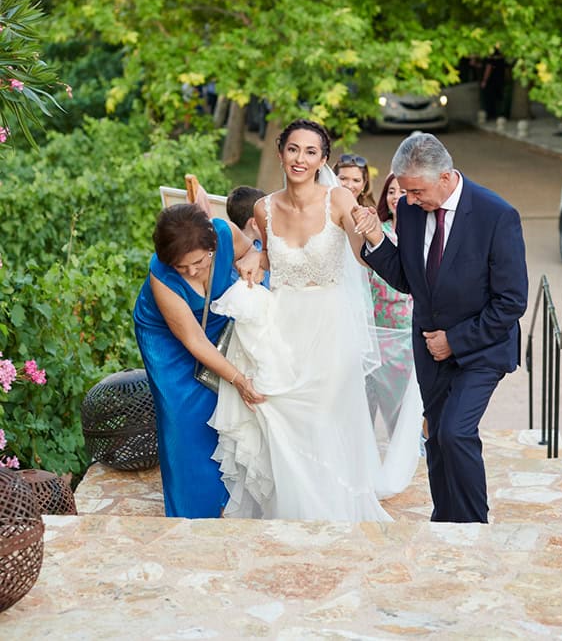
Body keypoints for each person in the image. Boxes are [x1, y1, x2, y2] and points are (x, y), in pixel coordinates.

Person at [209, 118, 421, 521]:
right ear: (280, 153)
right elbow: (272, 257)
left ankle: (330, 512)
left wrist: (373, 230)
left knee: (323, 418)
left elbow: (361, 255)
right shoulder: (264, 207)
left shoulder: (339, 200)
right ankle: (295, 515)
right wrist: (256, 254)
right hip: (283, 328)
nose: (300, 158)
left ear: (323, 158)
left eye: (310, 151)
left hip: (330, 327)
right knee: (283, 420)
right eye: (293, 149)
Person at [357, 132, 528, 523]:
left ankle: (473, 527)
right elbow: (408, 277)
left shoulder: (497, 215)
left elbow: (512, 301)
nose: (410, 200)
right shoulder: (414, 211)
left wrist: (454, 341)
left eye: (416, 191)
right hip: (429, 350)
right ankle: (445, 520)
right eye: (405, 191)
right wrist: (375, 239)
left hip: (482, 349)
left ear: (446, 176)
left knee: (455, 432)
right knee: (436, 437)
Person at [133, 203, 265, 518]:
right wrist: (240, 380)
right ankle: (191, 513)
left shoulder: (224, 232)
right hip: (167, 337)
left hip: (215, 322)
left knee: (220, 409)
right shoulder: (161, 277)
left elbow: (252, 252)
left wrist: (251, 262)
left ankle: (227, 501)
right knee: (181, 419)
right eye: (181, 267)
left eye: (198, 262)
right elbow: (193, 341)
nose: (192, 272)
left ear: (212, 246)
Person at [366, 173, 415, 439]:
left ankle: (408, 452)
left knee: (405, 407)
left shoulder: (423, 234)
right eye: (392, 192)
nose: (397, 197)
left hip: (409, 332)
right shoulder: (377, 232)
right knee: (368, 400)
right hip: (377, 330)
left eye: (403, 191)